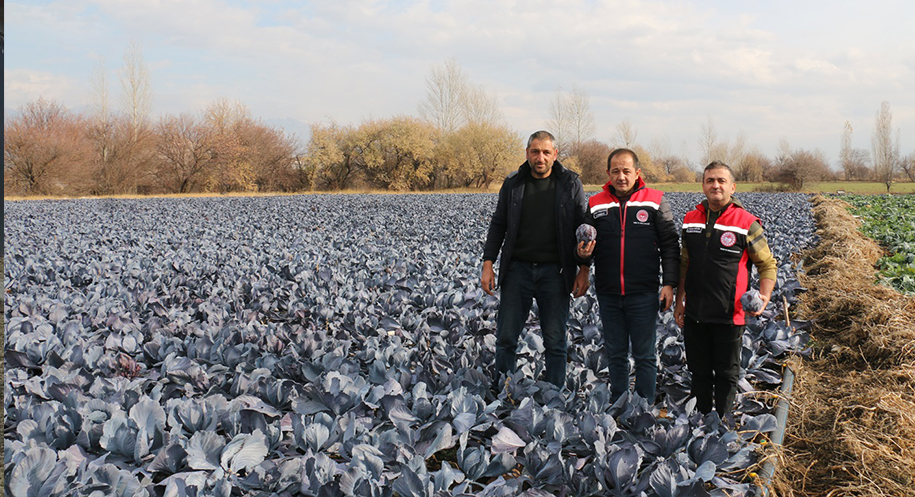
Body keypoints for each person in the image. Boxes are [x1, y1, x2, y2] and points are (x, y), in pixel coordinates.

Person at [481, 130, 591, 389]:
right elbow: (499, 224)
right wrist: (488, 263)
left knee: (555, 340)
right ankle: (503, 390)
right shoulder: (513, 183)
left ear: (555, 154)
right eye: (535, 152)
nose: (540, 157)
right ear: (527, 153)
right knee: (506, 337)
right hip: (517, 270)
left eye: (545, 152)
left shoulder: (570, 183)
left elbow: (582, 227)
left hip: (556, 272)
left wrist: (584, 268)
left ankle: (554, 394)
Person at [673, 161, 777, 416]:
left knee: (727, 373)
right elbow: (685, 263)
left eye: (721, 181)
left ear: (732, 187)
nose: (715, 185)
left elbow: (767, 264)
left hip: (729, 314)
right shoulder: (690, 219)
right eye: (710, 180)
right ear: (703, 185)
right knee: (698, 372)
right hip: (696, 311)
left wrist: (763, 297)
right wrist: (679, 302)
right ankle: (701, 422)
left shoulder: (747, 222)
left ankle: (723, 423)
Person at [576, 148, 679, 404]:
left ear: (637, 173)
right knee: (615, 354)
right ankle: (619, 402)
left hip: (643, 291)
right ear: (608, 173)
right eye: (616, 171)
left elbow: (670, 244)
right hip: (609, 291)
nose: (621, 176)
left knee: (645, 355)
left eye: (626, 171)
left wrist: (669, 284)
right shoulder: (596, 203)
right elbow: (585, 243)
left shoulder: (655, 200)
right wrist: (582, 257)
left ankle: (644, 405)